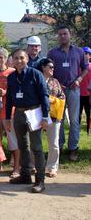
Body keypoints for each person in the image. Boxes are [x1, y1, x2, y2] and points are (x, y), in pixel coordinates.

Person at [5, 49, 49, 193]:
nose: (19, 61)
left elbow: (44, 96)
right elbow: (9, 99)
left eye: (22, 58)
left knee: (36, 147)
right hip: (18, 114)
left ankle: (40, 180)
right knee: (23, 146)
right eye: (16, 58)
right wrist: (6, 118)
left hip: (34, 113)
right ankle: (25, 176)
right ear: (12, 60)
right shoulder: (11, 77)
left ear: (27, 59)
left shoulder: (36, 75)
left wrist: (45, 117)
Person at [47, 26, 88, 161]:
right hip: (58, 92)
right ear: (58, 37)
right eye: (60, 34)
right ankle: (59, 146)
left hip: (74, 89)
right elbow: (48, 70)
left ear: (70, 35)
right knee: (58, 119)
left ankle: (73, 149)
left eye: (65, 33)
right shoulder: (52, 53)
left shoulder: (79, 51)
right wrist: (54, 84)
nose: (63, 36)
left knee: (75, 120)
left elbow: (85, 68)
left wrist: (79, 79)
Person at [0, 48, 20, 178]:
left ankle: (16, 168)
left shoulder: (12, 72)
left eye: (1, 57)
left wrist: (5, 93)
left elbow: (18, 91)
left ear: (6, 58)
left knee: (13, 141)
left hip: (10, 113)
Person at [38, 58, 65, 178]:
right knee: (35, 142)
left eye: (53, 67)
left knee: (54, 143)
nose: (53, 69)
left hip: (53, 116)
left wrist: (53, 100)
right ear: (43, 67)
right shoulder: (36, 80)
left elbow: (62, 97)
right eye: (50, 66)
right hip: (37, 115)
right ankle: (36, 165)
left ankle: (52, 167)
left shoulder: (55, 82)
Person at [79, 47, 91, 134]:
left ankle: (89, 130)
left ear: (90, 56)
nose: (84, 55)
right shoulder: (78, 66)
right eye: (83, 53)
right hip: (78, 94)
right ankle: (77, 130)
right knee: (77, 114)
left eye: (86, 54)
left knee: (88, 113)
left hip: (88, 95)